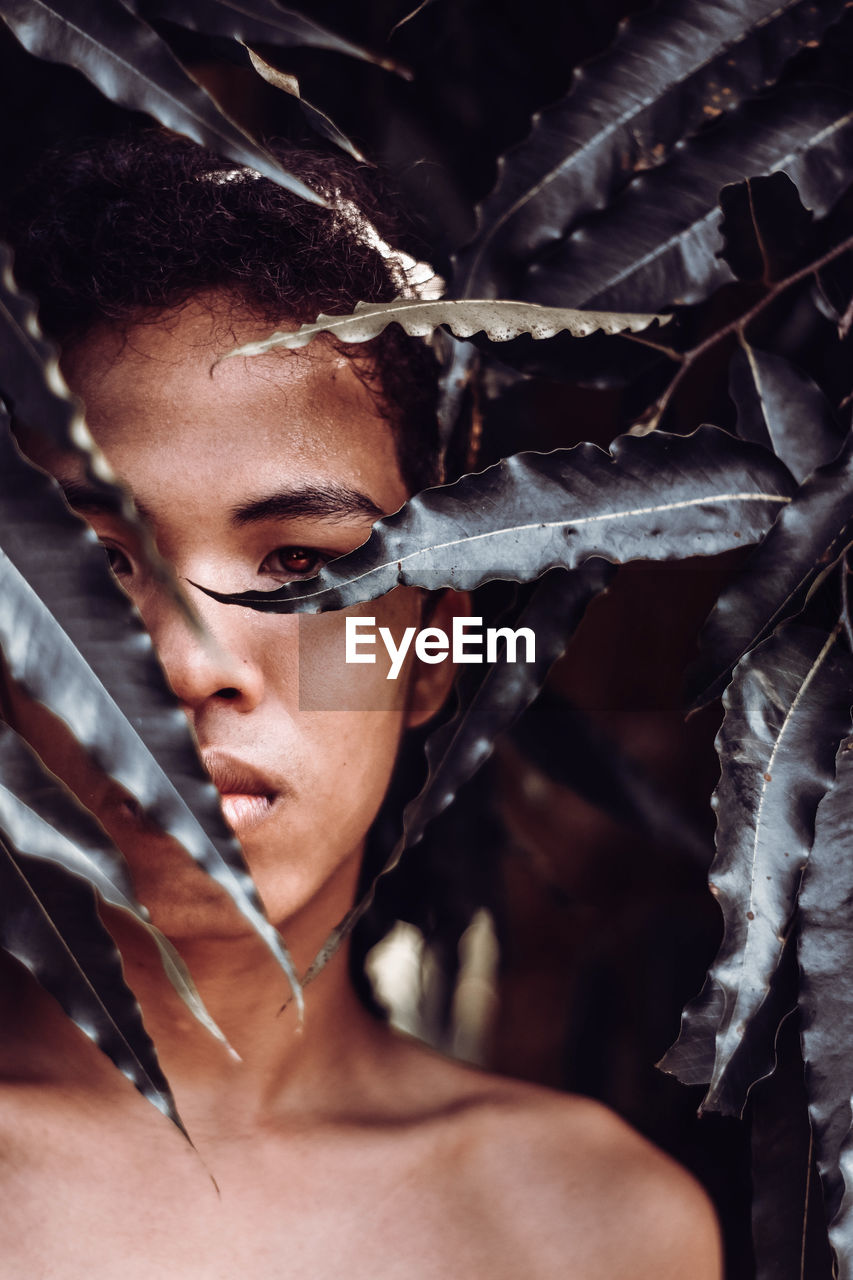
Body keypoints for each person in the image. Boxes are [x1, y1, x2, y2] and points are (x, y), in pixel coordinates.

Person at [0, 131, 721, 1278]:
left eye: (303, 567)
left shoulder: (590, 1227)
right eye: (95, 565)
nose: (190, 665)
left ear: (429, 647)